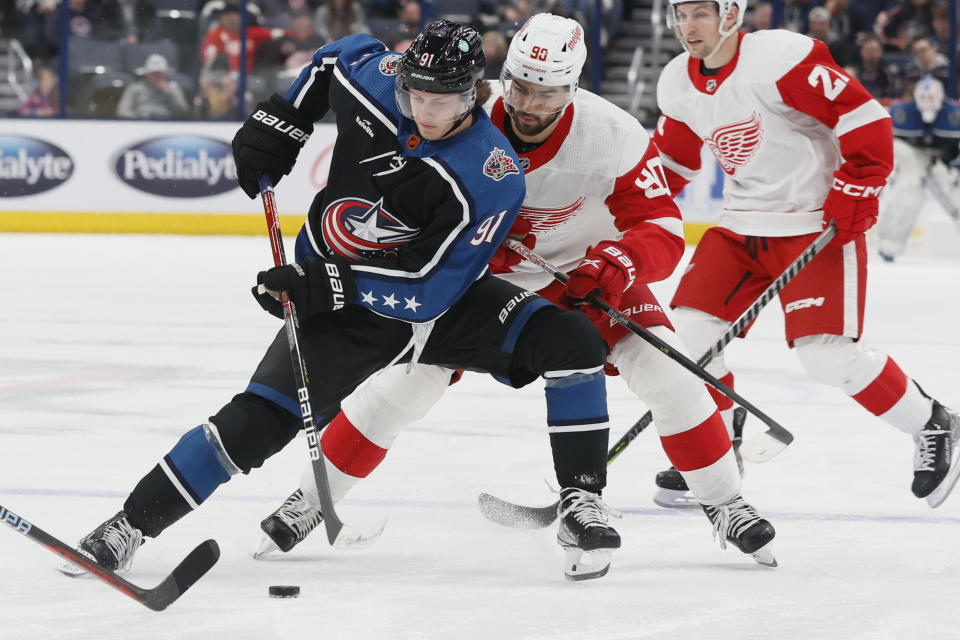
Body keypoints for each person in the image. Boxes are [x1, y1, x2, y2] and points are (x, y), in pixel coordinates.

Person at [63, 20, 622, 582]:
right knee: (258, 421)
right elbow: (335, 57)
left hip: (439, 299)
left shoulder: (491, 172)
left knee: (572, 340)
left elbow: (429, 290)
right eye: (416, 95)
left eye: (444, 101)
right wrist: (286, 116)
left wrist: (330, 282)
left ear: (475, 92)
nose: (425, 112)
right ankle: (126, 527)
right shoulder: (373, 79)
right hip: (344, 310)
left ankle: (580, 504)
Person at [255, 13, 778, 568]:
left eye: (548, 93)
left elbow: (662, 227)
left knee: (666, 376)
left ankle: (725, 503)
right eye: (522, 87)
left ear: (573, 86)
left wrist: (617, 263)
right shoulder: (460, 115)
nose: (529, 105)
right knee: (404, 387)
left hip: (586, 275)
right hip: (478, 282)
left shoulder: (612, 134)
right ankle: (311, 502)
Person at [649, 0, 960, 508]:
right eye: (681, 15)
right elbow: (673, 165)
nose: (688, 26)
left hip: (813, 227)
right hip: (738, 230)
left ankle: (934, 422)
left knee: (827, 358)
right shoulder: (676, 82)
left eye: (700, 13)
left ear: (730, 14)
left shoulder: (779, 58)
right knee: (688, 340)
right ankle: (720, 448)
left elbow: (866, 120)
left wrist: (859, 185)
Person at [876, 75, 960, 261]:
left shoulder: (954, 115)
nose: (927, 102)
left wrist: (955, 165)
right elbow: (887, 141)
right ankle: (889, 246)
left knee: (957, 200)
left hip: (943, 163)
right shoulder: (900, 113)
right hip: (913, 159)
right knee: (906, 196)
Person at [116, 53, 190, 120]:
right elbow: (123, 110)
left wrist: (169, 92)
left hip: (166, 123)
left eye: (159, 73)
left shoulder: (173, 89)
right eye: (153, 73)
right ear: (147, 74)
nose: (156, 76)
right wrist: (137, 119)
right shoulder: (135, 88)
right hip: (140, 123)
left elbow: (183, 111)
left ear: (165, 74)